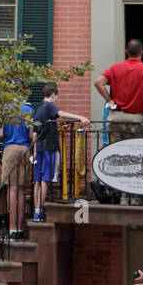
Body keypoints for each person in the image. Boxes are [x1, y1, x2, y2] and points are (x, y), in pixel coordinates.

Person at [32, 84, 87, 221]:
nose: (57, 100)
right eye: (57, 97)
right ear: (52, 95)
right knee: (45, 179)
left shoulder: (39, 109)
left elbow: (35, 133)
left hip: (39, 148)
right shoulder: (49, 105)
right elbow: (61, 114)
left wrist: (33, 152)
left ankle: (36, 210)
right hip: (49, 147)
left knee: (38, 180)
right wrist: (80, 117)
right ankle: (39, 211)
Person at [94, 40, 143, 141]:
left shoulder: (115, 68)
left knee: (114, 153)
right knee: (136, 153)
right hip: (136, 119)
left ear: (127, 52)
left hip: (116, 118)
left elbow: (98, 82)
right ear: (142, 52)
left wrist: (109, 100)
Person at [0, 99, 34, 236]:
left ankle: (12, 228)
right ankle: (19, 228)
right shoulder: (29, 110)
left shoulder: (5, 110)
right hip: (25, 148)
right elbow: (31, 135)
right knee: (21, 189)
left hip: (10, 148)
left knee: (12, 188)